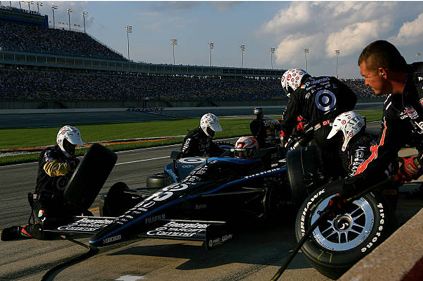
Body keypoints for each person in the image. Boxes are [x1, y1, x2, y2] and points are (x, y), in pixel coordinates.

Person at [330, 39, 423, 212]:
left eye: (366, 77)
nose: (365, 83)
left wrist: (419, 162)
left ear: (382, 72)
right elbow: (381, 153)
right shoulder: (393, 106)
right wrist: (347, 190)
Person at [1, 125, 85, 241]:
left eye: (73, 145)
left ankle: (61, 223)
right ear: (62, 141)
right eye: (69, 144)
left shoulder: (74, 160)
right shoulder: (49, 153)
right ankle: (22, 230)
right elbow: (52, 169)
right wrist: (72, 165)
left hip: (62, 201)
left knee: (84, 218)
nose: (71, 148)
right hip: (43, 200)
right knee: (45, 230)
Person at [279, 68, 358, 179]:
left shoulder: (300, 91)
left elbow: (288, 118)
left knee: (329, 172)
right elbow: (352, 98)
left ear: (291, 82)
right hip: (345, 127)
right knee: (349, 164)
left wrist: (284, 134)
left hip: (323, 132)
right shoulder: (331, 79)